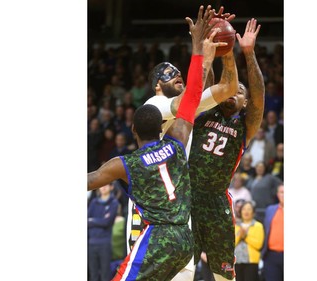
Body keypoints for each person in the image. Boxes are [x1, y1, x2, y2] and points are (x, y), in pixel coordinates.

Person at [87, 7, 223, 280]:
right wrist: (199, 50)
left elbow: (90, 180)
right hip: (185, 236)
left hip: (157, 234)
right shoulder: (176, 139)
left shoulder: (126, 163)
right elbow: (193, 97)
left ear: (133, 128)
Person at [126, 5, 238, 281]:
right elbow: (184, 101)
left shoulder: (186, 106)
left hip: (177, 209)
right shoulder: (157, 104)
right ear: (156, 85)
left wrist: (226, 51)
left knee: (183, 275)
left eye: (179, 72)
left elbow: (228, 89)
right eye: (168, 72)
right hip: (150, 207)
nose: (176, 74)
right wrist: (200, 51)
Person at [188, 18, 265, 281]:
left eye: (240, 92)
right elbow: (205, 80)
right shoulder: (206, 109)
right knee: (183, 269)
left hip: (216, 202)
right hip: (187, 198)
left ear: (245, 102)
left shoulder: (245, 125)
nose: (235, 92)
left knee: (223, 273)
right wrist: (212, 46)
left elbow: (258, 95)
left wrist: (248, 53)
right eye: (233, 88)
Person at [88, 183, 119, 281]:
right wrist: (98, 220)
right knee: (93, 274)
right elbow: (86, 221)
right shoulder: (93, 202)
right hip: (91, 242)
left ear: (111, 187)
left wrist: (92, 220)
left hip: (105, 243)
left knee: (105, 274)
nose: (103, 187)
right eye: (101, 185)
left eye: (106, 185)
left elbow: (107, 222)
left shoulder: (114, 203)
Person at [234, 201, 264, 281]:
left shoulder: (258, 226)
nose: (246, 211)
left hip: (252, 263)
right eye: (244, 209)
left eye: (249, 209)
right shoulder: (235, 225)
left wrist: (245, 236)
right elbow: (232, 244)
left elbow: (258, 244)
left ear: (253, 212)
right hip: (236, 262)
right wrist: (239, 235)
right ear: (240, 211)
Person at [261, 184, 284, 281]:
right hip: (271, 256)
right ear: (277, 194)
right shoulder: (270, 210)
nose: (284, 195)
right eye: (282, 192)